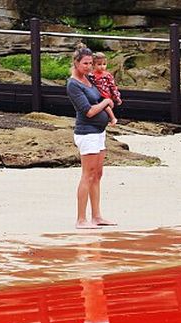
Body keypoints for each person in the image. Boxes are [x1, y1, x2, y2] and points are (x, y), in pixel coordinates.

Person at [66, 45, 116, 228]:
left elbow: (100, 96)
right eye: (85, 63)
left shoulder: (88, 79)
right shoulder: (73, 84)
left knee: (97, 174)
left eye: (90, 63)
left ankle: (97, 216)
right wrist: (106, 102)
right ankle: (81, 219)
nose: (88, 66)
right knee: (87, 175)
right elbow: (88, 111)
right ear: (76, 63)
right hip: (87, 133)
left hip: (99, 132)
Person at [91, 52, 122, 126]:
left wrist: (117, 97)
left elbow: (113, 87)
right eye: (99, 64)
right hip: (95, 94)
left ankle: (113, 118)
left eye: (104, 64)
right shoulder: (91, 75)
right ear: (93, 65)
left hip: (104, 95)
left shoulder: (107, 75)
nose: (102, 67)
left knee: (105, 107)